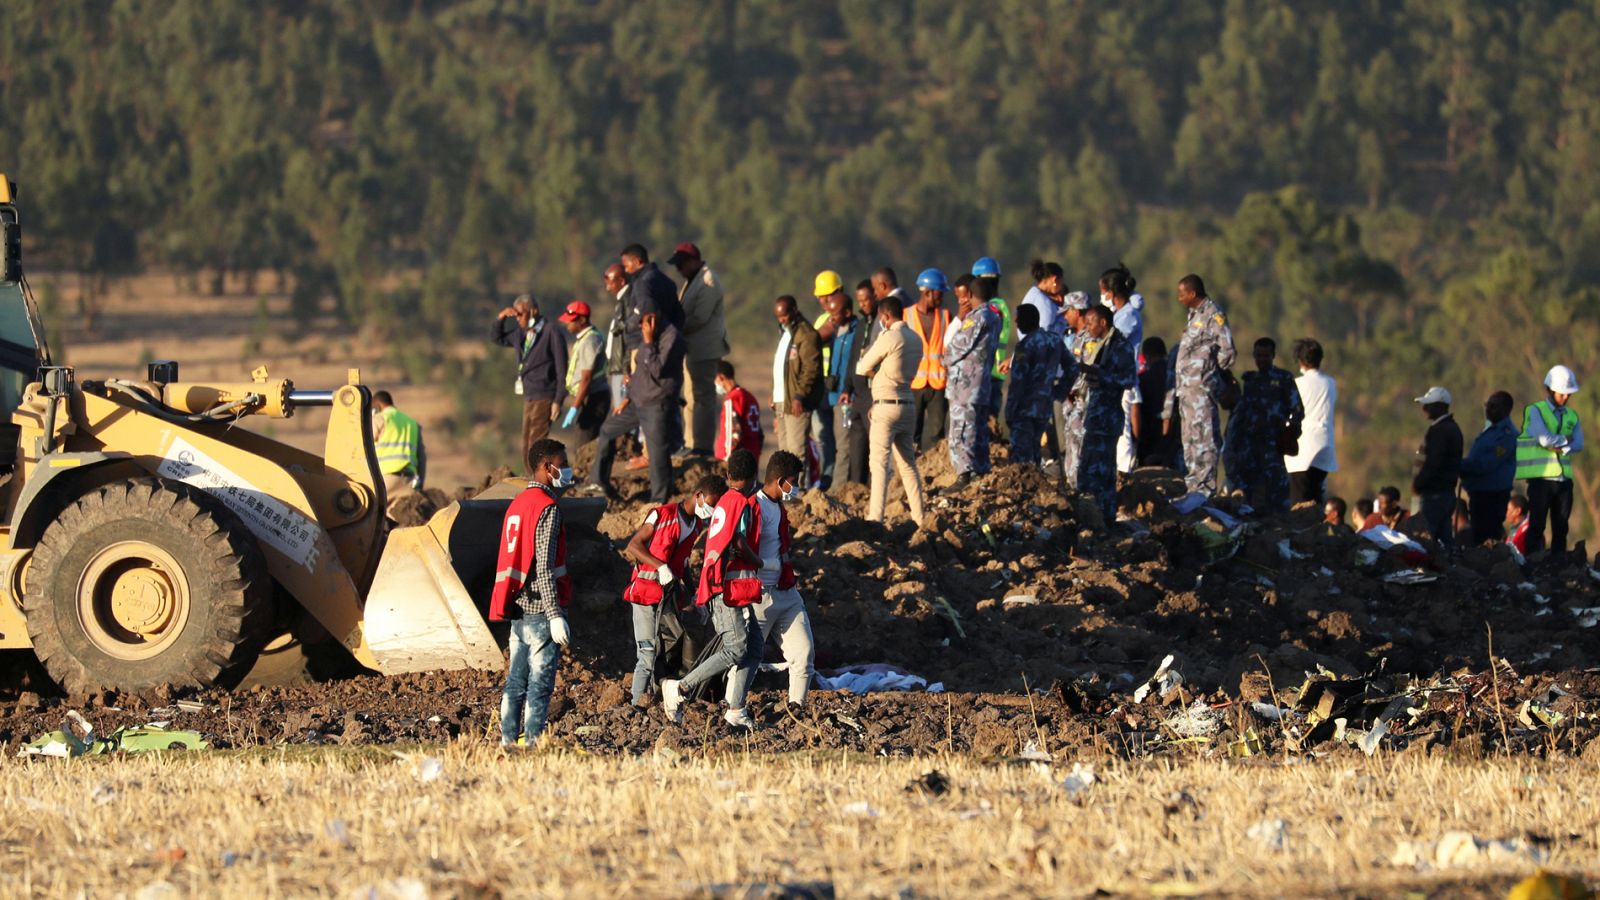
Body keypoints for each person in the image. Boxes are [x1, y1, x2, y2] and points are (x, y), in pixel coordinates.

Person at [663, 449, 765, 728]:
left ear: (729, 475)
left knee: (754, 648)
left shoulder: (726, 502)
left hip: (730, 587)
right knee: (735, 648)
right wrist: (758, 561)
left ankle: (735, 709)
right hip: (727, 588)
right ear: (754, 477)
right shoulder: (739, 503)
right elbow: (737, 542)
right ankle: (681, 687)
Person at [488, 438, 573, 747]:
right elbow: (545, 565)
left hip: (519, 609)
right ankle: (533, 744)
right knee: (539, 685)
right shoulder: (547, 508)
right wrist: (554, 615)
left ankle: (508, 741)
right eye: (562, 465)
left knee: (515, 682)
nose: (567, 470)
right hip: (540, 610)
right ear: (546, 468)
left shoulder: (518, 504)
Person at [724, 451, 816, 715]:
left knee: (804, 653)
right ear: (778, 480)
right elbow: (736, 544)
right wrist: (763, 566)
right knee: (745, 660)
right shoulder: (753, 507)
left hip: (786, 593)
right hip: (759, 597)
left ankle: (797, 708)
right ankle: (731, 708)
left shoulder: (778, 507)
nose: (795, 487)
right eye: (792, 481)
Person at [622, 474, 724, 706]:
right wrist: (660, 566)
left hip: (666, 597)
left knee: (668, 647)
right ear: (698, 495)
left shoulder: (697, 524)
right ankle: (636, 705)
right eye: (710, 503)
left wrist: (696, 595)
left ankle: (656, 697)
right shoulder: (663, 515)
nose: (711, 509)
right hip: (644, 593)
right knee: (647, 653)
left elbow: (684, 563)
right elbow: (634, 545)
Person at [587, 309, 685, 504]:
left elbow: (657, 369)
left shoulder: (671, 338)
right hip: (638, 401)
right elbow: (640, 375)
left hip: (656, 403)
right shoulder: (645, 339)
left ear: (653, 320)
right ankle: (599, 481)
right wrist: (627, 397)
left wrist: (648, 342)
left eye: (643, 322)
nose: (640, 326)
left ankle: (659, 500)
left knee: (657, 453)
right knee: (607, 430)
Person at [1061, 305, 1137, 521]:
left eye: (1092, 322)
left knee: (1104, 471)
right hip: (1091, 416)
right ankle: (1088, 514)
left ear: (1103, 323)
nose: (1087, 326)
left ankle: (1105, 516)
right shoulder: (1094, 344)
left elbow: (1129, 380)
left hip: (1107, 418)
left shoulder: (1120, 347)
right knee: (1086, 467)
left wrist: (1103, 376)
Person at [1162, 275, 1236, 497]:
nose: (1179, 297)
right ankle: (1194, 488)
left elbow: (1228, 351)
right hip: (1188, 392)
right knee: (1190, 440)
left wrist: (1209, 372)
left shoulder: (1213, 314)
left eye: (1182, 293)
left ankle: (1205, 490)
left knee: (1205, 441)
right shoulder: (1193, 315)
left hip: (1202, 391)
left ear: (1193, 293)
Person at [855, 295, 927, 525]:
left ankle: (875, 518)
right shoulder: (916, 339)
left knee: (879, 465)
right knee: (908, 466)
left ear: (885, 316)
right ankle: (920, 518)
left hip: (886, 407)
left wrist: (875, 372)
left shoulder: (890, 336)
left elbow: (863, 366)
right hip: (908, 405)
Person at [1222, 338, 1303, 514]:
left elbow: (1297, 410)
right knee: (1246, 494)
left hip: (1272, 445)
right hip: (1249, 446)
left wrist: (1290, 432)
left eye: (1266, 355)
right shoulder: (1250, 380)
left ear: (1273, 356)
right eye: (1259, 355)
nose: (1262, 359)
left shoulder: (1283, 378)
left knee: (1278, 493)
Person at [491, 294, 569, 475]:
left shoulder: (551, 332)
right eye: (515, 315)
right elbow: (497, 338)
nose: (517, 318)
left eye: (520, 314)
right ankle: (534, 476)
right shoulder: (521, 334)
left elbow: (561, 368)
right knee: (526, 443)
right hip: (529, 394)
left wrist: (558, 399)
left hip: (545, 394)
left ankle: (544, 478)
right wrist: (501, 317)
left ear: (533, 311)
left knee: (537, 443)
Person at [1515, 365, 1585, 557]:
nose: (1566, 398)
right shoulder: (1535, 411)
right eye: (1562, 393)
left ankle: (1558, 564)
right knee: (1537, 525)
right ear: (1551, 390)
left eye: (1568, 394)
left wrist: (1562, 446)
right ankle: (1531, 562)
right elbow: (1543, 439)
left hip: (1564, 481)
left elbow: (1579, 443)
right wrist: (1565, 440)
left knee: (1561, 527)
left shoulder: (1572, 416)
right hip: (1541, 480)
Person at [668, 242, 728, 460]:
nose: (679, 270)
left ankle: (702, 446)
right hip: (692, 348)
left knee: (703, 397)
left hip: (704, 349)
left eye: (682, 265)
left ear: (693, 261)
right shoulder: (693, 280)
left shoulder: (708, 281)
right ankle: (692, 444)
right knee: (691, 398)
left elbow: (699, 317)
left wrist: (672, 327)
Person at [945, 274, 1001, 484]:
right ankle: (980, 470)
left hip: (965, 386)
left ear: (969, 295)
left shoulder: (977, 317)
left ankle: (964, 474)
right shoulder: (994, 315)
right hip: (981, 383)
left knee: (962, 430)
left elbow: (955, 348)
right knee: (977, 428)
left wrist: (945, 358)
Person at [812, 270, 856, 489]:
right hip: (823, 387)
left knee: (841, 439)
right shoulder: (823, 318)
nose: (823, 300)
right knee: (824, 439)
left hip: (838, 389)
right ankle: (827, 480)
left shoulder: (839, 320)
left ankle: (840, 484)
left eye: (827, 295)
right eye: (820, 296)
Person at [1004, 304, 1061, 465]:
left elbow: (1018, 381)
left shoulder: (1024, 346)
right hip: (1044, 406)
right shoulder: (1054, 340)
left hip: (1025, 409)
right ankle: (1037, 484)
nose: (1016, 323)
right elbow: (1071, 368)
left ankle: (1025, 487)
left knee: (1020, 457)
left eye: (1019, 320)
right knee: (1036, 451)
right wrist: (1059, 392)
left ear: (1027, 321)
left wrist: (1010, 410)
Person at [1459, 390, 1518, 545]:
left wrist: (1460, 465)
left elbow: (1488, 463)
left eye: (1493, 406)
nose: (1488, 409)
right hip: (1479, 495)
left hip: (1492, 497)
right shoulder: (1490, 431)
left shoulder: (1506, 435)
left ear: (1505, 410)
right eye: (1487, 405)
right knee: (1478, 537)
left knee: (1488, 540)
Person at [837, 279, 880, 487]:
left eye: (866, 300)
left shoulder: (881, 323)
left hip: (875, 392)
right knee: (857, 445)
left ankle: (873, 490)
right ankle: (856, 488)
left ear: (875, 297)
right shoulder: (862, 324)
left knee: (874, 446)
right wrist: (846, 387)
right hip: (858, 395)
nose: (863, 305)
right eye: (860, 302)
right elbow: (853, 359)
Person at [1284, 339, 1338, 505]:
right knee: (1316, 496)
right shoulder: (1330, 383)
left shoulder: (1297, 384)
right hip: (1325, 446)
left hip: (1303, 450)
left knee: (1299, 500)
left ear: (1300, 360)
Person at [771, 294, 825, 461]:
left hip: (796, 401)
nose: (782, 320)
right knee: (783, 453)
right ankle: (785, 487)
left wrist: (799, 395)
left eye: (784, 315)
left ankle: (797, 488)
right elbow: (782, 367)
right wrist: (774, 395)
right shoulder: (786, 333)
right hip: (782, 400)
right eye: (778, 317)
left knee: (796, 452)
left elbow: (811, 368)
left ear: (795, 310)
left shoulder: (806, 334)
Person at [906, 269, 953, 452]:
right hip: (914, 383)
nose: (942, 297)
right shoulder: (906, 316)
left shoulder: (945, 317)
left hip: (938, 385)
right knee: (912, 432)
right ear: (927, 293)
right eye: (940, 293)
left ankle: (937, 470)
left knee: (937, 434)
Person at [1412, 386, 1464, 552]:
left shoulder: (1441, 430)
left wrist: (1419, 483)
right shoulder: (1451, 428)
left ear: (1441, 406)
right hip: (1445, 494)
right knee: (1444, 539)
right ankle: (1449, 569)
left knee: (1426, 538)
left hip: (1435, 495)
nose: (1424, 408)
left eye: (1429, 404)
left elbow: (1433, 463)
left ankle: (1428, 571)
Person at [557, 301, 610, 444]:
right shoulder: (584, 339)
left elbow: (586, 379)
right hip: (589, 397)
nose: (567, 324)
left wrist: (574, 407)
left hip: (595, 398)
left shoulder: (590, 341)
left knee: (584, 442)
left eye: (571, 321)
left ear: (582, 320)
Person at [972, 257, 1011, 429]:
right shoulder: (1001, 305)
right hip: (996, 372)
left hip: (989, 372)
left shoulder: (991, 309)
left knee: (985, 423)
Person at [371, 390, 425, 509]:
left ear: (377, 405)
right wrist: (420, 486)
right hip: (409, 481)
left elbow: (363, 446)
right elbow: (422, 458)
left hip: (386, 480)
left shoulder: (379, 419)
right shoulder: (412, 423)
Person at [1135, 337, 1177, 467]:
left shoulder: (1142, 379)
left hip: (1149, 438)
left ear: (1146, 357)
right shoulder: (1176, 376)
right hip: (1174, 437)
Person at [714, 361, 763, 462]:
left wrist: (727, 459)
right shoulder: (750, 397)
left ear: (720, 377)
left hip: (736, 462)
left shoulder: (732, 399)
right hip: (753, 455)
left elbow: (733, 432)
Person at [603, 264, 631, 403]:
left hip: (622, 367)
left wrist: (626, 368)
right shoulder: (621, 301)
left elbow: (628, 336)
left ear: (621, 281)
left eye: (610, 280)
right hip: (617, 365)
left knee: (622, 409)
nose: (607, 285)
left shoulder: (627, 301)